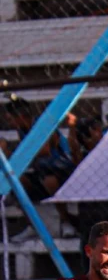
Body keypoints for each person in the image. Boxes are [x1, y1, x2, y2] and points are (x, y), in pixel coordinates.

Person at [4, 95, 78, 238]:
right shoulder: (22, 129)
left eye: (10, 118)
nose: (9, 123)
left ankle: (65, 222)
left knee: (49, 179)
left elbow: (44, 151)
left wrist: (15, 154)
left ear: (20, 116)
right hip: (42, 171)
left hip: (62, 171)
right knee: (18, 182)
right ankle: (32, 225)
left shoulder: (42, 124)